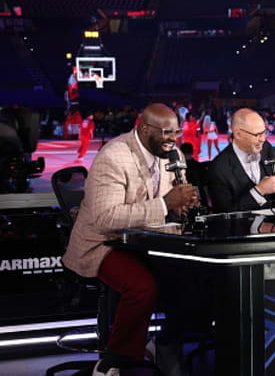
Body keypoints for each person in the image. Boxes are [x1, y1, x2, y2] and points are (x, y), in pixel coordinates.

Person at [62, 103, 198, 375]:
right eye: (167, 132)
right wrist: (164, 204)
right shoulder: (114, 156)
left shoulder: (171, 155)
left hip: (143, 241)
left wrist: (183, 206)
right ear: (145, 129)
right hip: (100, 243)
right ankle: (116, 361)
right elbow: (105, 218)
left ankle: (162, 343)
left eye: (177, 132)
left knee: (192, 276)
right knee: (142, 287)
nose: (174, 139)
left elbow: (172, 203)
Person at [207, 108, 275, 213]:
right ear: (238, 135)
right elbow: (224, 214)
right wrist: (259, 191)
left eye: (264, 132)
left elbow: (270, 182)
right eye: (257, 135)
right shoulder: (218, 168)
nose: (263, 139)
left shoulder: (266, 148)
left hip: (272, 226)